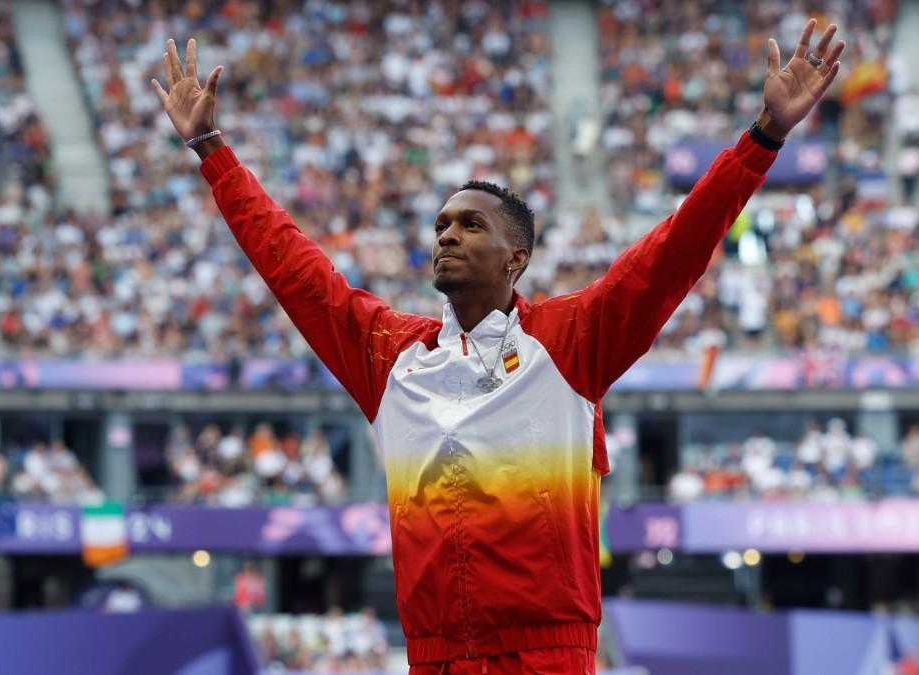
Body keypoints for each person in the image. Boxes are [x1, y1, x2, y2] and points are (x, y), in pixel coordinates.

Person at [152, 20, 844, 674]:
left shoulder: (572, 341)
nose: (446, 233)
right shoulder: (391, 356)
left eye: (469, 224)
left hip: (547, 655)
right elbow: (291, 265)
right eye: (441, 223)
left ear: (515, 257)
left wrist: (763, 137)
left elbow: (675, 251)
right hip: (434, 656)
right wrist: (211, 148)